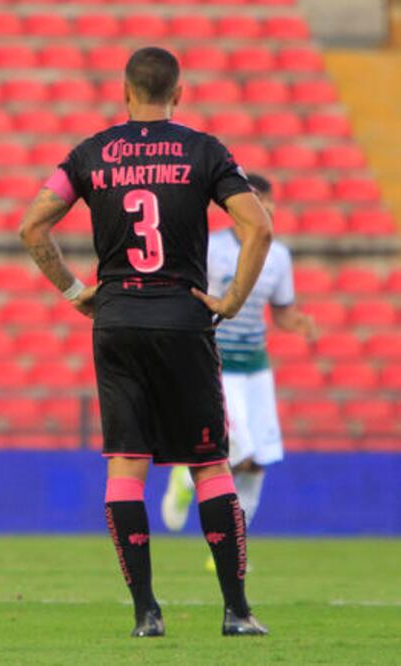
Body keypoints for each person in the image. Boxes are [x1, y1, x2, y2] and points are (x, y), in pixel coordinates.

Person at [18, 47, 273, 637]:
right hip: (184, 319)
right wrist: (232, 298)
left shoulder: (90, 153)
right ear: (178, 93)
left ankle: (145, 614)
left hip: (116, 318)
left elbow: (32, 225)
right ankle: (236, 611)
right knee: (209, 464)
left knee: (126, 468)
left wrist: (74, 289)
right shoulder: (204, 151)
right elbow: (258, 225)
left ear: (124, 91)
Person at [161, 174, 317, 557]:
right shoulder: (212, 249)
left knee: (256, 464)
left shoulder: (279, 256)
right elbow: (188, 292)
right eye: (261, 202)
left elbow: (280, 311)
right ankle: (185, 474)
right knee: (241, 454)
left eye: (272, 203)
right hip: (218, 364)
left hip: (256, 369)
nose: (269, 210)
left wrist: (297, 323)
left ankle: (232, 552)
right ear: (239, 209)